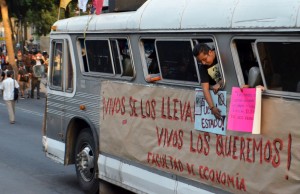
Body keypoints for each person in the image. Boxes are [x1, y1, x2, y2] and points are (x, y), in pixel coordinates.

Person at [193, 43, 223, 119]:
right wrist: (212, 107)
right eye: (200, 61)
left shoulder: (222, 56)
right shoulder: (203, 67)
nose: (203, 63)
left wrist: (220, 83)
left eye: (204, 59)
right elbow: (205, 89)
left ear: (210, 52)